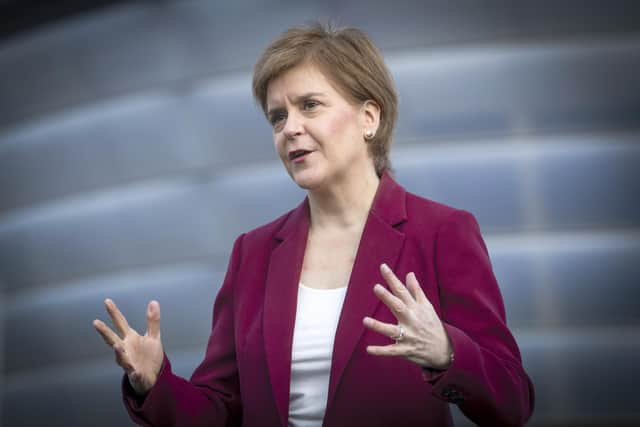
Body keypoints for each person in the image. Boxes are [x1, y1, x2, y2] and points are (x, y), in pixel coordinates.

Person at [93, 22, 535, 427]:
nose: (290, 128)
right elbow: (220, 409)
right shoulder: (253, 252)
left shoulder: (442, 232)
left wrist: (447, 353)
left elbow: (512, 401)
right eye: (278, 117)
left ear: (369, 118)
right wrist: (154, 384)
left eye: (310, 105)